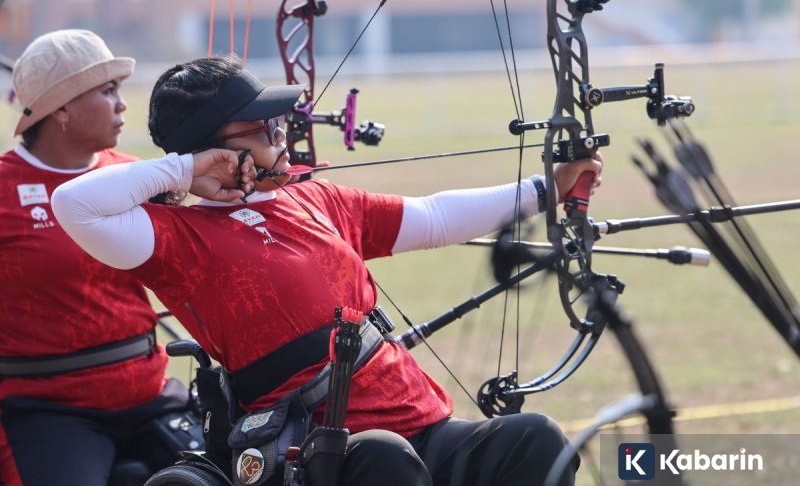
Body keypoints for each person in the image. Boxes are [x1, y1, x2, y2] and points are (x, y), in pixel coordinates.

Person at [52, 56, 603, 486]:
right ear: (217, 151)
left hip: (423, 425)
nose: (282, 135)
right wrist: (184, 169)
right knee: (383, 459)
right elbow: (74, 205)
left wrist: (544, 189)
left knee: (536, 440)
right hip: (320, 455)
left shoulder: (316, 200)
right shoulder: (174, 239)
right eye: (265, 129)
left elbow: (434, 216)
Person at [0, 30, 200, 486]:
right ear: (62, 109)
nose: (122, 103)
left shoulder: (130, 174)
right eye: (107, 91)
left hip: (149, 395)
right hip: (49, 410)